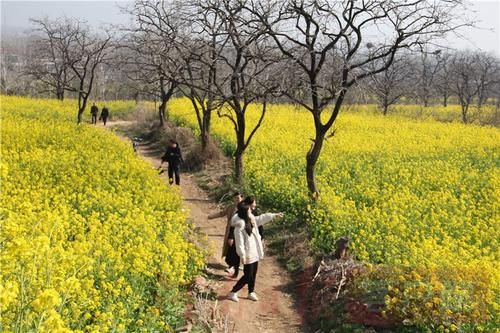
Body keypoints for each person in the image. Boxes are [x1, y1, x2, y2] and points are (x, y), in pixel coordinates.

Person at [228, 202, 284, 302]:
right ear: (245, 212)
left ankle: (251, 292)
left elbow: (261, 218)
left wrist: (274, 216)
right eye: (249, 210)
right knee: (247, 276)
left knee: (253, 274)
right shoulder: (239, 226)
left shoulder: (251, 219)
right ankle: (233, 292)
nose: (251, 210)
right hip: (248, 253)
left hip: (255, 251)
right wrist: (242, 255)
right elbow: (240, 243)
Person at [208, 192, 243, 278]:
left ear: (242, 198)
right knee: (229, 250)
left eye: (238, 198)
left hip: (240, 233)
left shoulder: (244, 208)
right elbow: (222, 213)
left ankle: (234, 267)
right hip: (230, 231)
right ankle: (232, 266)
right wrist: (211, 216)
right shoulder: (231, 207)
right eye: (235, 198)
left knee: (236, 250)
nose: (237, 200)